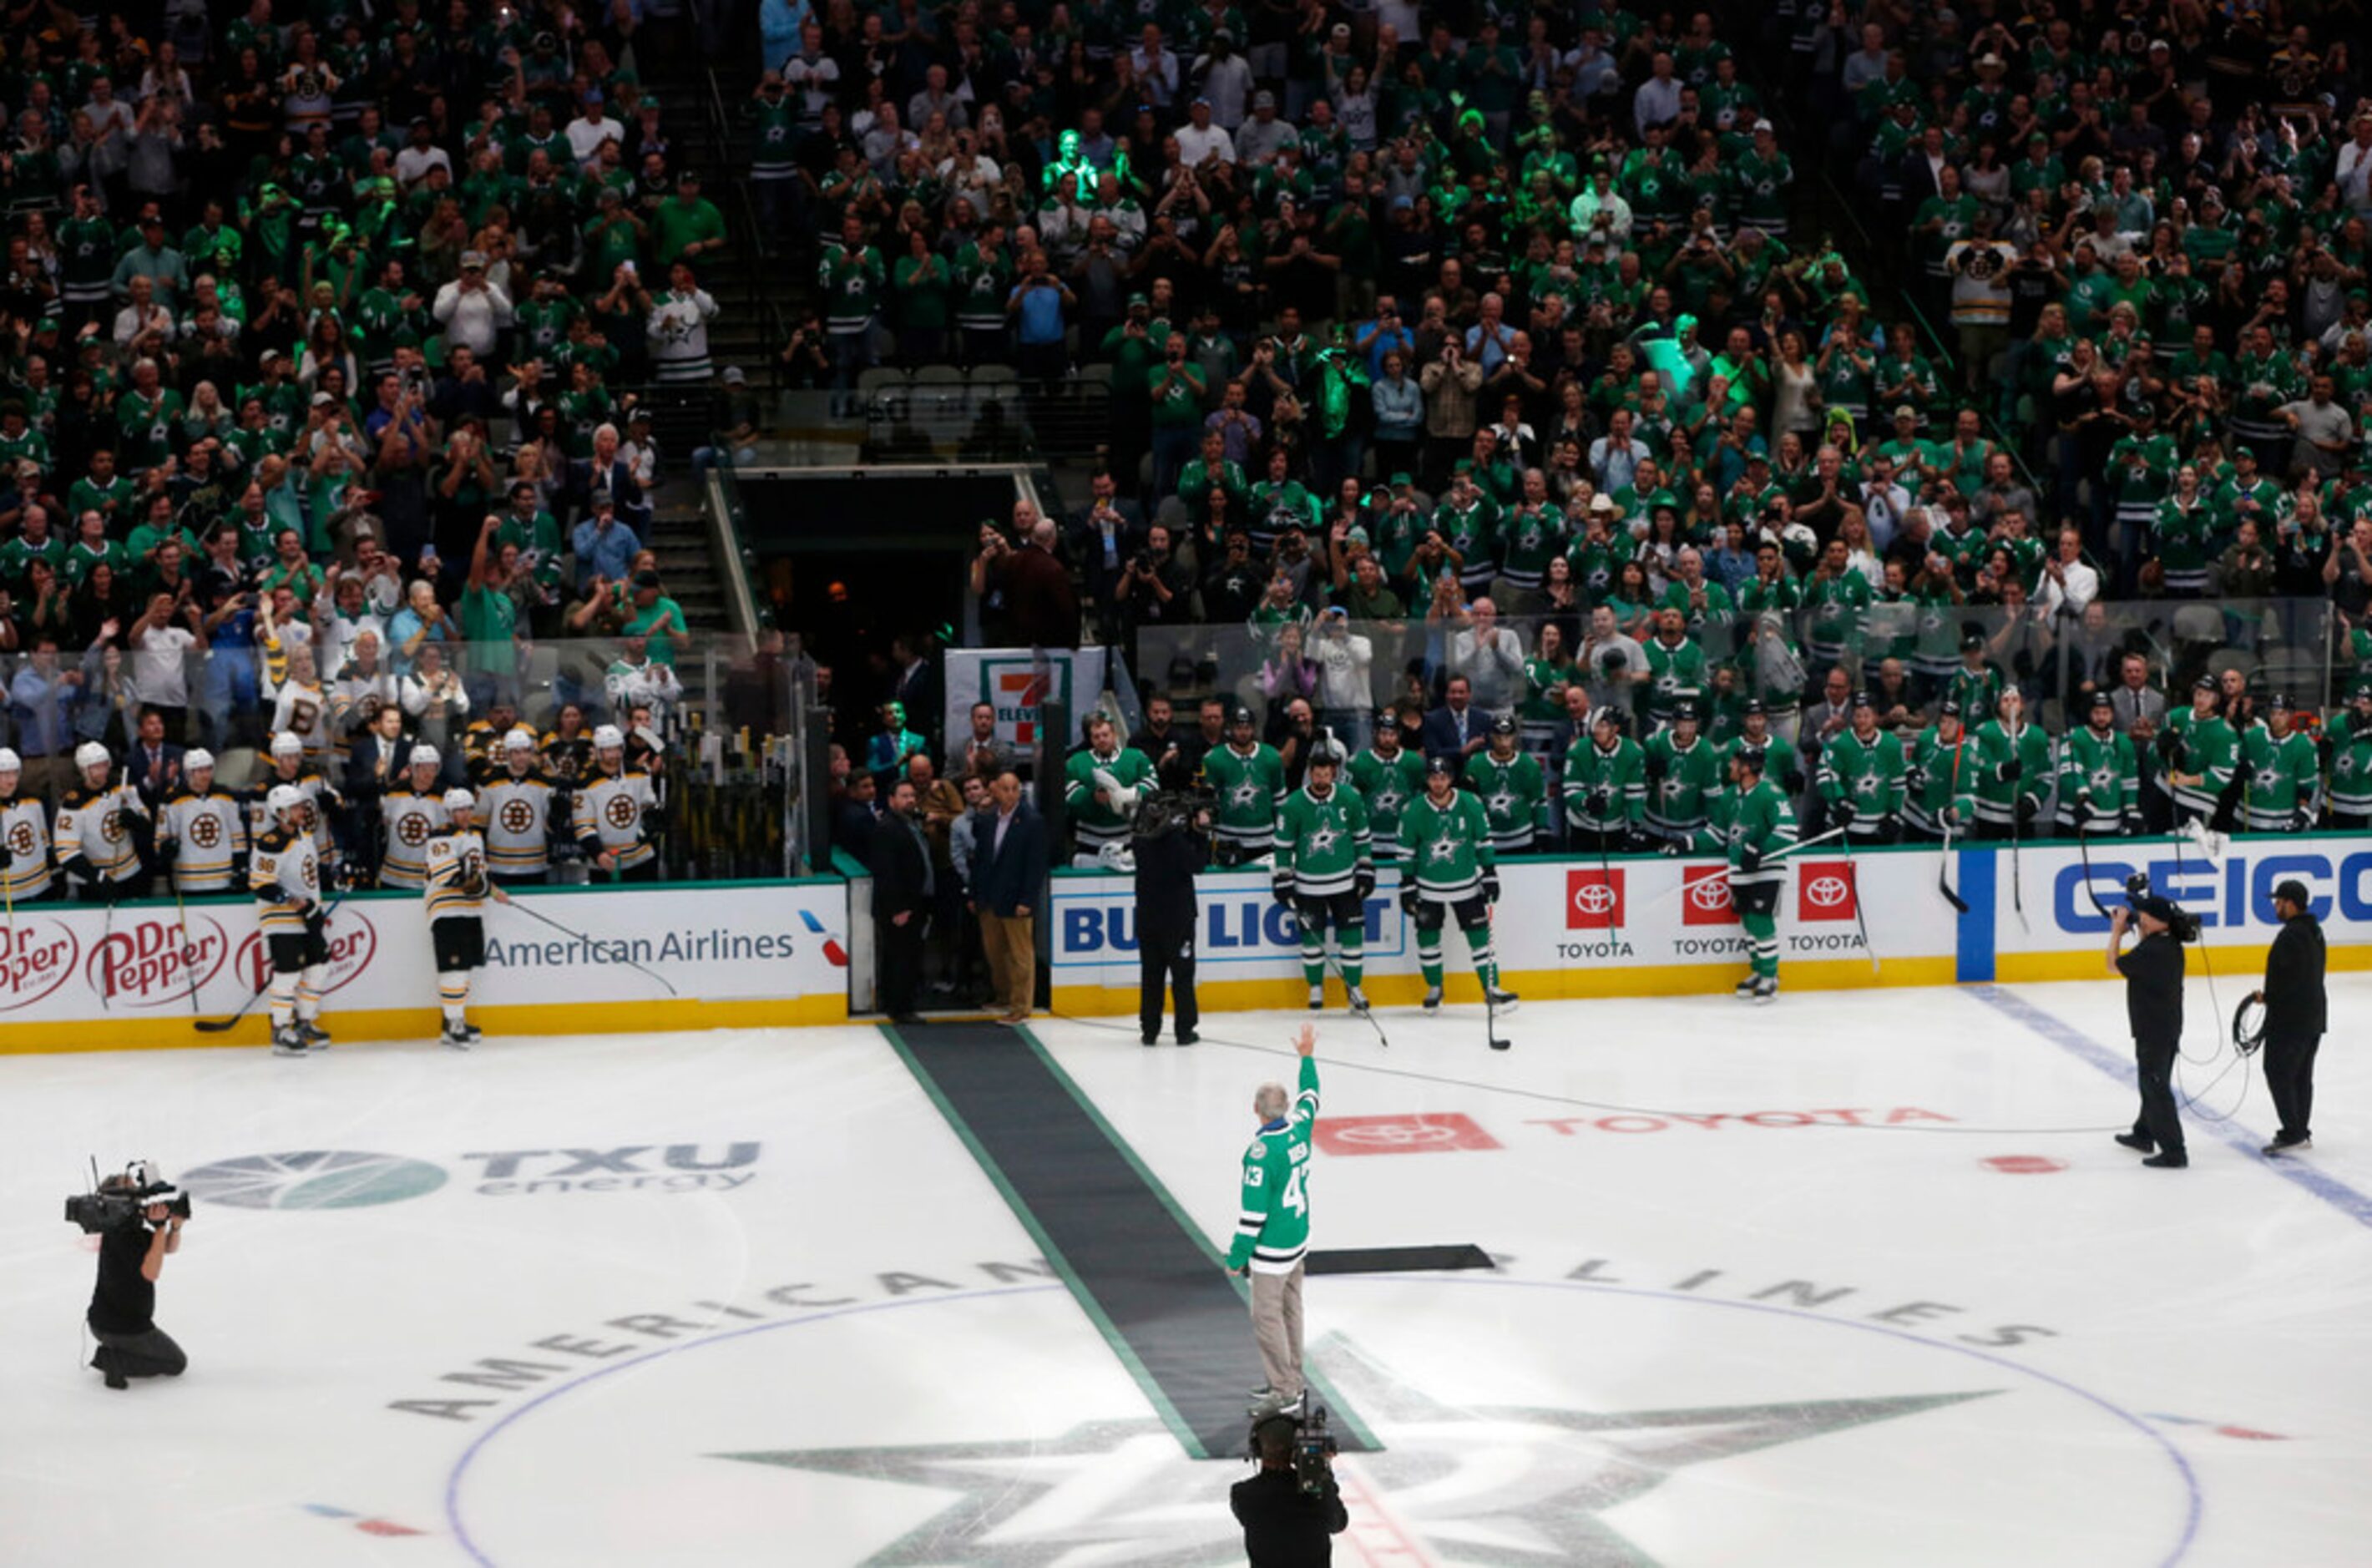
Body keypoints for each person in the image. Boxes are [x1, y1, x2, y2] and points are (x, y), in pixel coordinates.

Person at [1229, 1021, 1321, 1418]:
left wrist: (1236, 1257)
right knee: (1292, 1310)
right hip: (1299, 1238)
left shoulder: (1261, 1153)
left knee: (1267, 1319)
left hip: (1272, 1250)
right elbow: (1312, 1096)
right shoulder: (1300, 1128)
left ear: (1256, 1110)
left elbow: (1253, 1216)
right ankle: (1292, 1379)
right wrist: (1306, 1058)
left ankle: (1284, 1390)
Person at [1398, 756, 1516, 1018]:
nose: (1438, 783)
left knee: (1480, 939)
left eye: (1442, 777)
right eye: (1433, 777)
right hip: (1428, 887)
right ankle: (1434, 987)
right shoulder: (1414, 810)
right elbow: (1405, 850)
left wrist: (1489, 873)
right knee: (1428, 940)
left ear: (1450, 778)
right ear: (1427, 780)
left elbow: (1483, 841)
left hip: (1466, 886)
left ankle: (1491, 988)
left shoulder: (1470, 803)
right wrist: (1406, 884)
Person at [1274, 742, 1375, 1015]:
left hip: (1345, 885)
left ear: (1334, 773)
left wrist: (1365, 867)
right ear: (1310, 773)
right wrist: (1283, 877)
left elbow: (1362, 838)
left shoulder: (1350, 798)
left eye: (1326, 774)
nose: (1321, 780)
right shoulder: (1293, 804)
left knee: (1352, 937)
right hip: (1308, 885)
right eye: (1317, 774)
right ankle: (1315, 987)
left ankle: (1354, 988)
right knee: (1312, 939)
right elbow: (1282, 846)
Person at [2108, 881, 2192, 1168]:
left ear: (2156, 920)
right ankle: (2144, 1132)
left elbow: (2113, 964)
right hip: (2163, 1027)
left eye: (2143, 914)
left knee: (2155, 1085)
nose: (2139, 918)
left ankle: (2174, 1150)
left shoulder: (2154, 950)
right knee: (2153, 1081)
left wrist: (2117, 932)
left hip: (2154, 1030)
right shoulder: (2167, 945)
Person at [86, 1170, 188, 1391]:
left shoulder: (128, 1228)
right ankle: (114, 1360)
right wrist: (160, 1227)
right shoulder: (123, 1235)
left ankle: (114, 1352)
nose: (139, 1193)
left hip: (106, 1322)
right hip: (124, 1328)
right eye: (132, 1187)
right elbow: (151, 1273)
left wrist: (175, 1226)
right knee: (176, 1362)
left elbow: (167, 1248)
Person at [250, 782, 332, 1056]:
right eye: (295, 807)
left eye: (301, 806)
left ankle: (304, 1022)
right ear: (281, 812)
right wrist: (295, 901)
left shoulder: (304, 836)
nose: (301, 810)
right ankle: (281, 1029)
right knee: (288, 972)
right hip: (282, 918)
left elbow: (309, 873)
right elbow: (261, 884)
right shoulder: (270, 843)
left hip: (308, 915)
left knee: (319, 965)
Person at [423, 787, 508, 1048]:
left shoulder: (476, 836)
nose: (464, 814)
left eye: (468, 809)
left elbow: (478, 875)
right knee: (453, 968)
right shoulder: (440, 837)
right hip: (447, 910)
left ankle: (453, 1020)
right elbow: (447, 876)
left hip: (471, 909)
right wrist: (482, 887)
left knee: (465, 967)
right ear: (450, 812)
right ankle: (454, 1022)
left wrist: (492, 890)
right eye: (459, 810)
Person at [1133, 764, 1208, 1045]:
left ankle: (1149, 1029)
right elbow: (1197, 865)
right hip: (1177, 920)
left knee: (1151, 976)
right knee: (1182, 976)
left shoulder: (1139, 841)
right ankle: (1184, 1030)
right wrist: (1200, 832)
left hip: (1148, 919)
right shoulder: (1174, 841)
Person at [2254, 879, 2326, 1157]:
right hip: (2313, 1017)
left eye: (2279, 901)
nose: (2275, 906)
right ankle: (2299, 1129)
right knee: (2301, 1076)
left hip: (2291, 1021)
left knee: (2279, 1071)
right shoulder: (2314, 931)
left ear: (2291, 904)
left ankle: (2294, 1131)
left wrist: (2269, 998)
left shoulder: (2290, 935)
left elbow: (2287, 981)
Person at [970, 770, 1046, 1024]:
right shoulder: (988, 820)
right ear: (994, 790)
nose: (1011, 794)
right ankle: (1003, 996)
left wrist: (1027, 900)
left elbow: (1035, 866)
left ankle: (1021, 1006)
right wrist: (975, 894)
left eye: (1015, 789)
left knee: (1020, 954)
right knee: (995, 952)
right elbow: (980, 861)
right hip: (990, 898)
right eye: (1005, 788)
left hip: (1016, 901)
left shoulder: (1032, 821)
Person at [1725, 746, 1797, 1004]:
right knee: (1749, 922)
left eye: (1735, 762)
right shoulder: (1730, 796)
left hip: (1768, 869)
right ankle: (1758, 970)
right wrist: (1686, 843)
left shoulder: (1771, 794)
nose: (1730, 766)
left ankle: (1770, 976)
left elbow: (1788, 831)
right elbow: (1717, 831)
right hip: (1740, 871)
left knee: (1760, 920)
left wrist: (1759, 850)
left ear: (1746, 768)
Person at [1232, 1413, 1348, 1565]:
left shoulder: (1243, 1494)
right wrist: (1322, 1469)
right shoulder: (1316, 1495)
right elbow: (1339, 1523)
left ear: (1257, 1450)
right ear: (1295, 1449)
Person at [872, 776, 933, 1024]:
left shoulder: (909, 824)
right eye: (904, 796)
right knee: (901, 956)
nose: (910, 800)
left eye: (912, 796)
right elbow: (887, 872)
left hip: (914, 902)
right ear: (891, 800)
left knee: (906, 954)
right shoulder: (888, 828)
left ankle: (898, 1002)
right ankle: (900, 1006)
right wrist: (898, 907)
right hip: (900, 906)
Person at [571, 725, 661, 882]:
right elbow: (583, 827)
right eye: (608, 750)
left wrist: (651, 826)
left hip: (641, 859)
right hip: (605, 862)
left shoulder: (639, 774)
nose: (615, 754)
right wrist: (598, 854)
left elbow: (650, 808)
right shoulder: (584, 783)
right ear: (599, 752)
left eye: (618, 749)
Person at [156, 749, 248, 896]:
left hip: (223, 878)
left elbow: (237, 834)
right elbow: (161, 840)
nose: (206, 775)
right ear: (188, 773)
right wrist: (166, 849)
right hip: (188, 880)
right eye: (199, 771)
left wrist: (241, 865)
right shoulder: (172, 800)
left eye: (209, 769)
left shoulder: (225, 796)